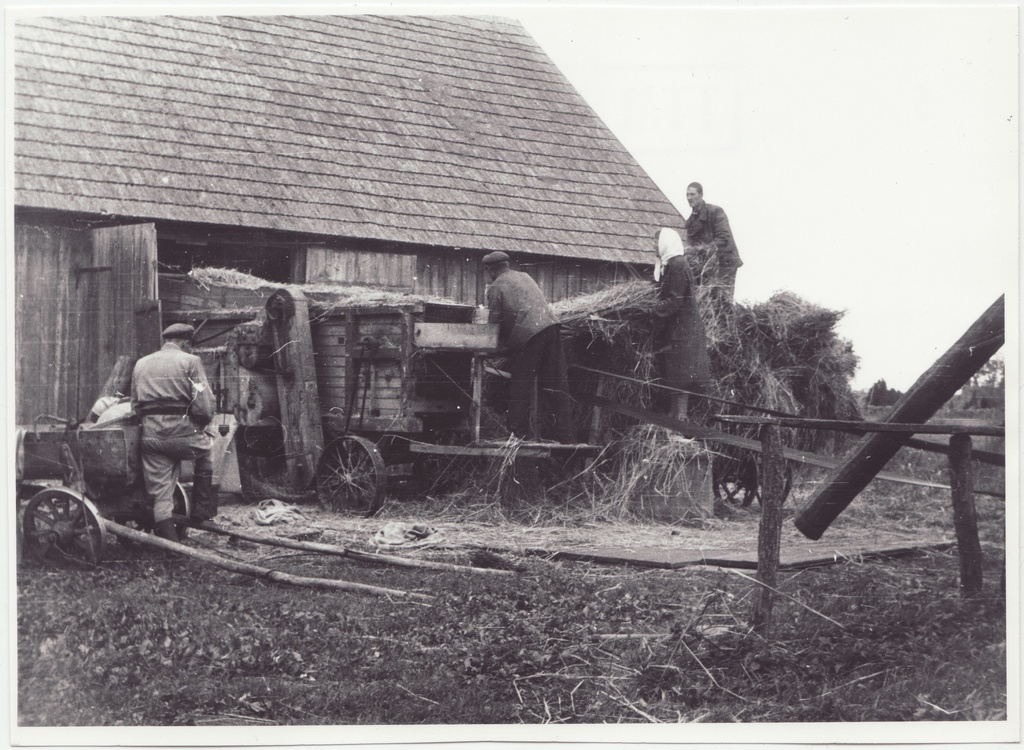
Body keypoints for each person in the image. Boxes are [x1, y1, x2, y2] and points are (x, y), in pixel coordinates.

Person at [131, 323, 217, 543]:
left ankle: (173, 549)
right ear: (185, 342)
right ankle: (202, 508)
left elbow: (135, 406)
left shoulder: (141, 364)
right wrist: (200, 424)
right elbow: (205, 407)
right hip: (182, 433)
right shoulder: (190, 361)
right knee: (207, 450)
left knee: (161, 495)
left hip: (150, 437)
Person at [482, 251, 575, 443]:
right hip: (551, 328)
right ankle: (565, 437)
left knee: (520, 383)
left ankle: (518, 435)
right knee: (556, 383)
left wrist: (495, 345)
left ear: (490, 270)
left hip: (530, 336)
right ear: (507, 264)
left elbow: (494, 323)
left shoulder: (495, 286)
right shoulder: (524, 276)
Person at [651, 228, 712, 420]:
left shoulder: (678, 265)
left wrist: (652, 309)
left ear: (665, 243)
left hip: (685, 330)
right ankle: (674, 417)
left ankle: (680, 419)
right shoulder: (671, 264)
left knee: (681, 377)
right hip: (679, 329)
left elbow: (675, 300)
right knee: (676, 375)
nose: (654, 246)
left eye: (656, 242)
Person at [684, 182, 743, 302]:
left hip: (725, 262)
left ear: (701, 195)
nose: (689, 198)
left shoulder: (716, 212)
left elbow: (724, 237)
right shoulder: (690, 221)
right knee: (707, 298)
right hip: (709, 263)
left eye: (692, 194)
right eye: (687, 195)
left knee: (723, 298)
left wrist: (703, 249)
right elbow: (691, 244)